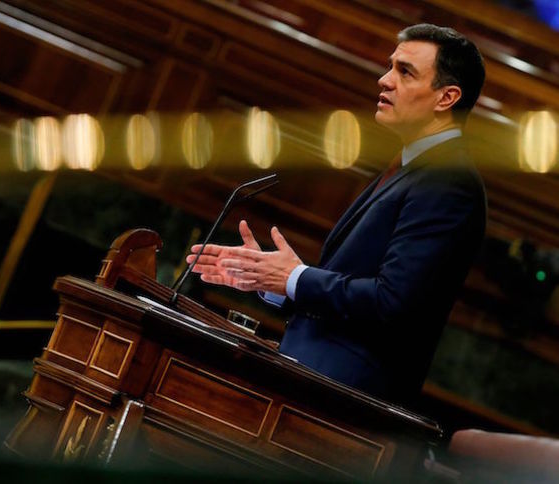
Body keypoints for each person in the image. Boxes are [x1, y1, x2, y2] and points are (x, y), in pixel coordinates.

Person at [187, 24, 487, 403]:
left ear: (447, 97)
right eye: (390, 66)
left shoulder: (449, 182)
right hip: (313, 387)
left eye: (404, 72)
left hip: (344, 404)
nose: (384, 80)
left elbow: (392, 303)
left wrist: (296, 278)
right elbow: (358, 297)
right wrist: (276, 282)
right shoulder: (415, 166)